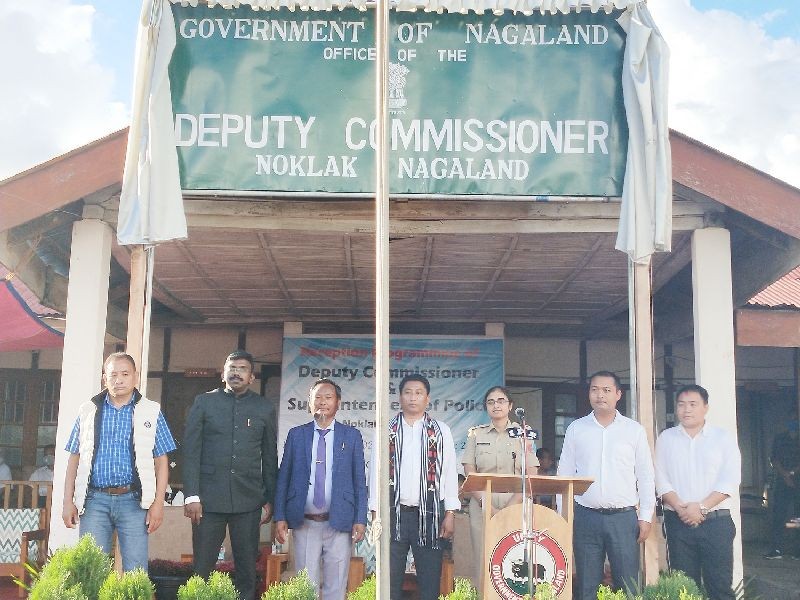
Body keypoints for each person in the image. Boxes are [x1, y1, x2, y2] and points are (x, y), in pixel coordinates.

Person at [62, 352, 176, 571]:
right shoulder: (88, 410)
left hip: (134, 501)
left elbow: (161, 461)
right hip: (94, 500)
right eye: (113, 374)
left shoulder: (150, 411)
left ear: (135, 377)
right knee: (92, 569)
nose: (119, 379)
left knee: (136, 570)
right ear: (104, 378)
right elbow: (74, 457)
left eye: (125, 374)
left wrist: (158, 503)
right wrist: (68, 501)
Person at [183, 350, 278, 600]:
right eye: (232, 368)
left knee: (247, 569)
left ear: (252, 377)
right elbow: (191, 451)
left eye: (242, 369)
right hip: (207, 500)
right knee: (202, 568)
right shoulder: (204, 402)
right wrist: (191, 494)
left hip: (248, 501)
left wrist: (270, 498)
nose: (236, 372)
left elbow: (269, 457)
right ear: (223, 373)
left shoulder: (264, 408)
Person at [556, 371, 655, 599]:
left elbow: (646, 475)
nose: (600, 395)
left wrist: (646, 517)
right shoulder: (576, 429)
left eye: (606, 390)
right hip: (586, 517)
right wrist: (564, 516)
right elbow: (565, 475)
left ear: (618, 394)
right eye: (594, 389)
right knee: (586, 585)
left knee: (627, 584)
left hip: (624, 518)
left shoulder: (634, 430)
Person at [274, 378, 368, 600]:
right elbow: (283, 478)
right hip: (305, 522)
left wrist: (360, 519)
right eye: (317, 397)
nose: (322, 402)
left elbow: (359, 481)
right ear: (309, 403)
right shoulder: (296, 435)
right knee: (306, 588)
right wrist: (280, 516)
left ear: (338, 403)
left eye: (328, 397)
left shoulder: (351, 436)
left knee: (336, 587)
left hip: (339, 522)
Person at [369, 374, 459, 600]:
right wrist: (374, 512)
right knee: (389, 582)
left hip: (429, 516)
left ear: (427, 399)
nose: (413, 397)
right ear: (400, 397)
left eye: (418, 393)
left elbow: (449, 473)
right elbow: (374, 475)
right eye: (408, 392)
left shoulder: (440, 431)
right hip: (393, 515)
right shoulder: (385, 430)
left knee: (429, 582)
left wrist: (450, 513)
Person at [655, 384, 741, 600]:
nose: (687, 410)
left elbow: (729, 479)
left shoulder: (723, 438)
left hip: (716, 523)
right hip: (678, 522)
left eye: (693, 404)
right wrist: (680, 508)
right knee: (684, 589)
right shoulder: (666, 438)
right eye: (682, 405)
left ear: (706, 408)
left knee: (720, 586)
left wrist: (700, 508)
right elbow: (660, 477)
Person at [461, 385, 537, 585]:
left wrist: (510, 507)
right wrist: (488, 506)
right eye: (491, 402)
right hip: (482, 503)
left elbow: (531, 473)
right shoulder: (476, 435)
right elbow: (469, 472)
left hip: (517, 504)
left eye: (501, 400)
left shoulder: (523, 432)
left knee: (516, 560)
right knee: (484, 558)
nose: (496, 405)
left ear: (510, 405)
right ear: (486, 407)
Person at [763, 419, 800, 559]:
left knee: (798, 516)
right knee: (778, 515)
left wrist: (793, 473)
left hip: (798, 481)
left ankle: (797, 551)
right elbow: (774, 459)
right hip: (782, 482)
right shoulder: (780, 439)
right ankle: (776, 549)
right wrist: (786, 475)